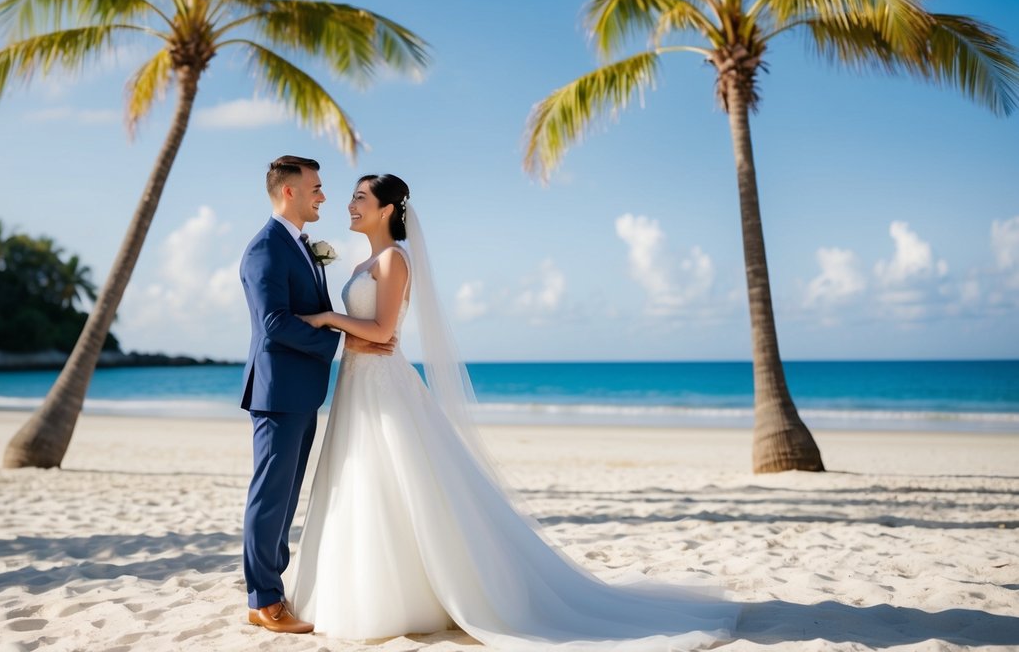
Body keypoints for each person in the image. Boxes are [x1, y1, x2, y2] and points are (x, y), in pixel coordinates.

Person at [287, 173, 741, 649]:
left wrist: (328, 319)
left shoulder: (395, 259)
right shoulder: (366, 261)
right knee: (364, 481)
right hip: (360, 384)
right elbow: (373, 335)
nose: (350, 205)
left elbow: (383, 331)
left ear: (385, 210)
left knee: (399, 481)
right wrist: (348, 331)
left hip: (382, 385)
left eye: (361, 198)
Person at [238, 156, 394, 634]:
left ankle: (273, 591)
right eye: (316, 188)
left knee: (285, 498)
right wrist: (335, 341)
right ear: (290, 192)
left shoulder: (300, 246)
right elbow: (274, 323)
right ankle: (263, 599)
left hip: (301, 391)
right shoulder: (266, 248)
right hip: (278, 390)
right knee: (270, 496)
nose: (324, 196)